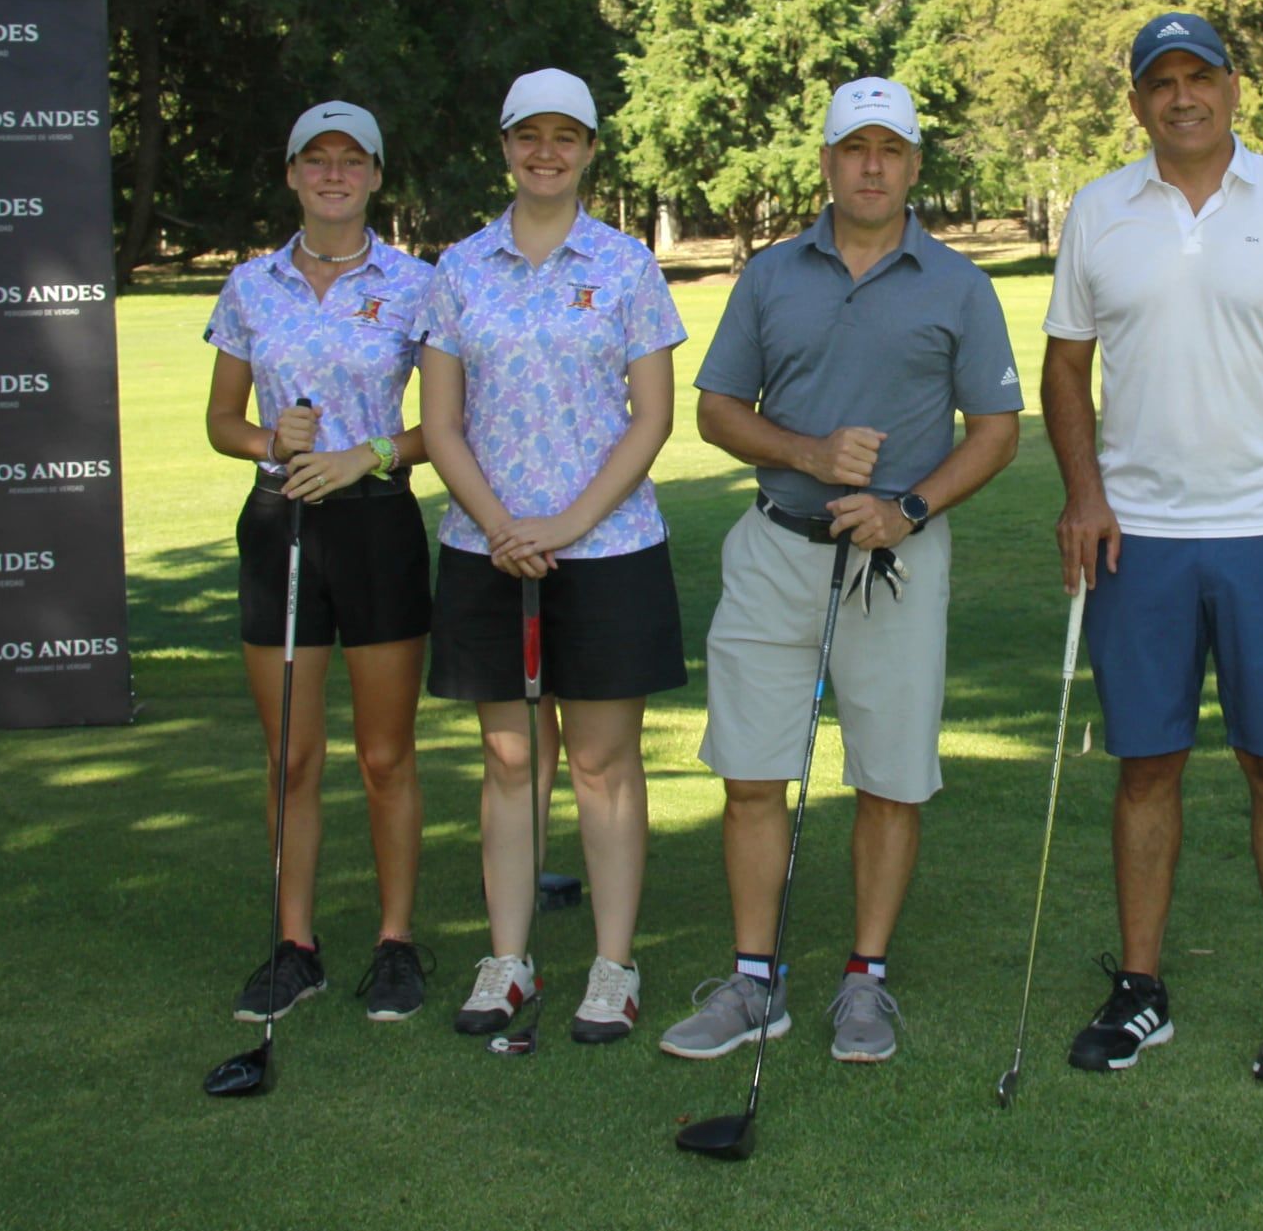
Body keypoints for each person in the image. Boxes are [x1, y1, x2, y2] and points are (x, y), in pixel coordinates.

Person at [1043, 12, 1263, 1088]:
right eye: (1163, 83)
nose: (1183, 97)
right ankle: (1141, 988)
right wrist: (1083, 493)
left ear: (1235, 88)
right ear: (1139, 100)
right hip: (1138, 539)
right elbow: (1065, 369)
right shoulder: (1100, 211)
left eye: (1201, 77)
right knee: (1146, 765)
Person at [660, 76, 1022, 1067]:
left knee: (891, 778)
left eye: (891, 151)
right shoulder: (773, 276)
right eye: (854, 149)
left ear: (913, 165)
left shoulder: (958, 285)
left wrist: (907, 507)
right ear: (826, 163)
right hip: (778, 544)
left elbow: (996, 434)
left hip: (897, 562)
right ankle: (753, 981)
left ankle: (865, 982)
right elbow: (718, 411)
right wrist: (814, 457)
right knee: (751, 769)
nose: (872, 166)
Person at [419, 68, 688, 1046]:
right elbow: (440, 424)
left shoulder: (625, 267)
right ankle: (510, 958)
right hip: (487, 545)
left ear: (587, 149)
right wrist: (502, 525)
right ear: (504, 147)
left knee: (606, 761)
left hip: (608, 545)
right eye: (528, 136)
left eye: (564, 136)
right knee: (509, 758)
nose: (546, 152)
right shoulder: (457, 270)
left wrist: (567, 526)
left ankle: (614, 966)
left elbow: (651, 417)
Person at [204, 100, 438, 1025]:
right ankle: (294, 945)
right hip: (281, 526)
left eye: (353, 161)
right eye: (317, 160)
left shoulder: (417, 284)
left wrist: (371, 453)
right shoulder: (251, 285)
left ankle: (394, 941)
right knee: (291, 756)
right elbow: (223, 421)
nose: (334, 175)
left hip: (377, 524)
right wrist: (273, 438)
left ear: (376, 176)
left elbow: (446, 426)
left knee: (385, 755)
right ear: (293, 174)